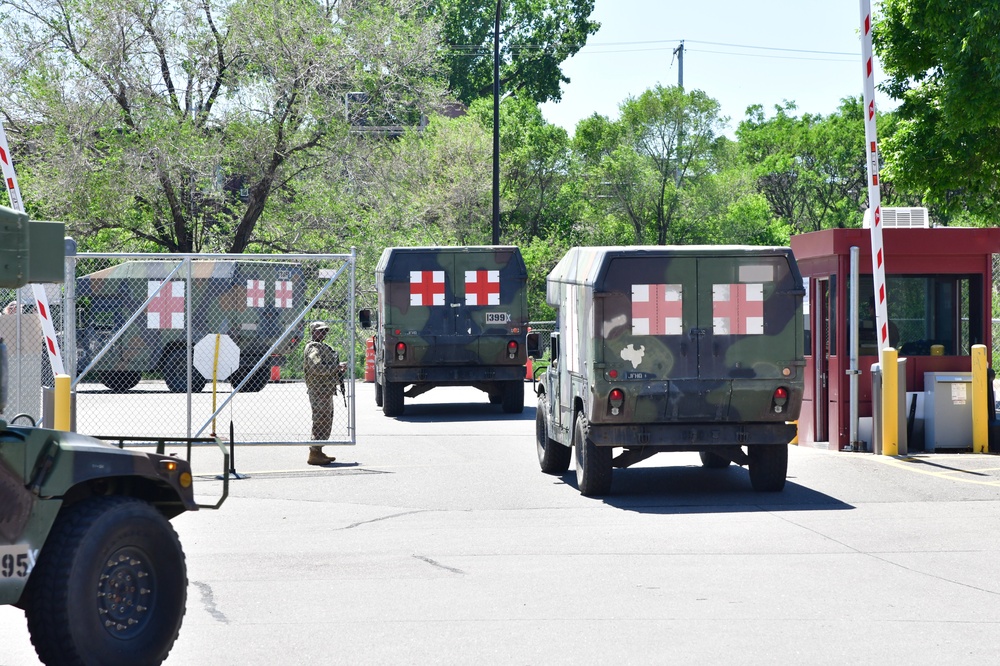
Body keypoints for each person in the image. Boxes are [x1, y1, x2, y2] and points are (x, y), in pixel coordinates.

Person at [303, 321, 347, 466]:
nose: (323, 333)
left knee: (326, 420)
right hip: (319, 390)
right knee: (321, 420)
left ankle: (318, 451)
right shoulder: (314, 348)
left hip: (324, 390)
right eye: (320, 331)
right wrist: (335, 368)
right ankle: (314, 452)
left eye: (325, 331)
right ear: (313, 332)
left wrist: (336, 369)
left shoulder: (321, 347)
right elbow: (316, 367)